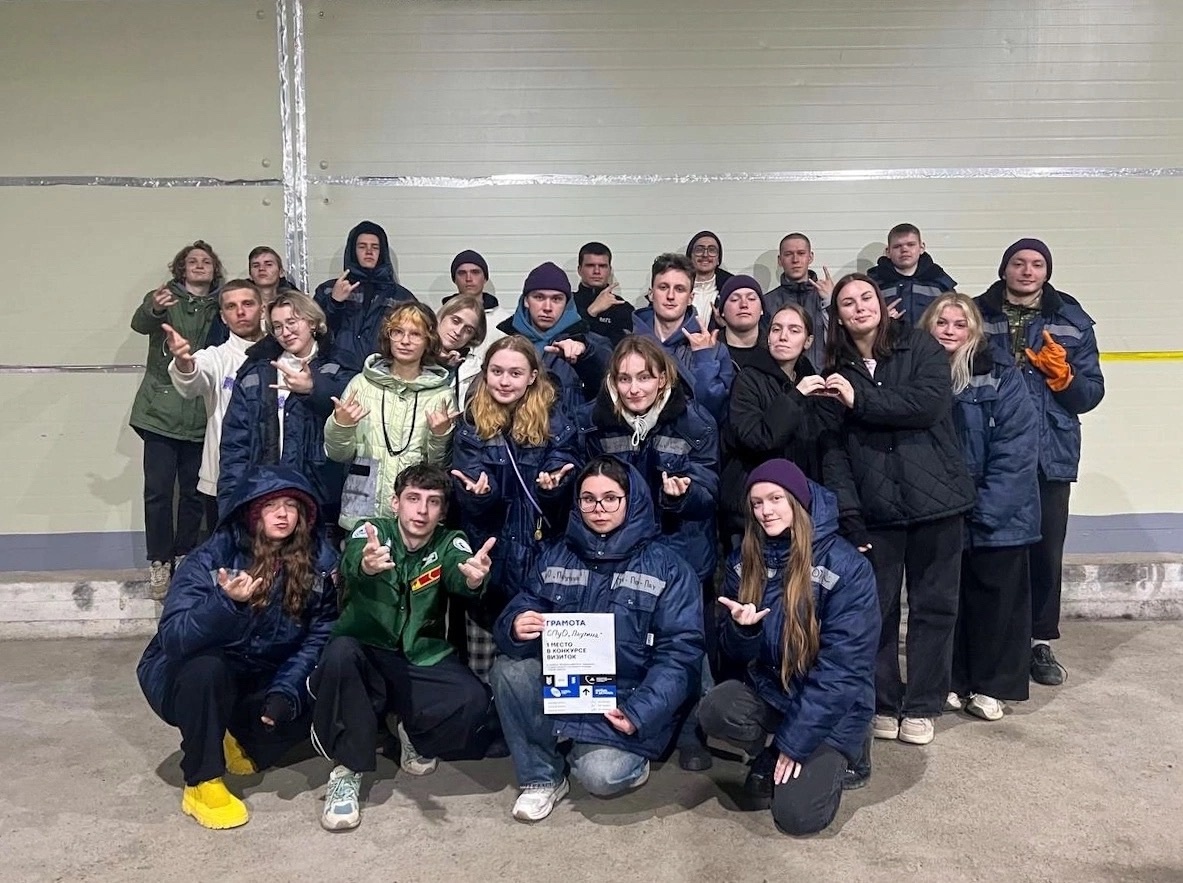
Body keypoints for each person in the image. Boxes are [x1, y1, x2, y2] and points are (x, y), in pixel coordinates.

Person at [491, 457, 705, 822]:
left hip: (625, 699)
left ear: (632, 500)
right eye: (588, 499)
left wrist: (640, 712)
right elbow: (523, 605)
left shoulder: (669, 567)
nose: (598, 508)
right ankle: (542, 777)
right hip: (565, 688)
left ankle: (621, 757)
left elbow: (680, 654)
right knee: (509, 670)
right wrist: (515, 624)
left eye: (610, 498)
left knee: (600, 777)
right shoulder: (557, 554)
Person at [136, 466, 338, 829]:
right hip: (190, 675)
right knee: (206, 669)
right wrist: (225, 603)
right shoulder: (212, 557)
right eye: (271, 505)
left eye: (291, 505)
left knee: (325, 692)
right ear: (252, 511)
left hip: (259, 672)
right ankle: (201, 781)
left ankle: (238, 735)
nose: (282, 514)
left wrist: (286, 692)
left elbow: (318, 637)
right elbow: (175, 639)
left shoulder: (319, 561)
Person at [821, 273, 975, 747]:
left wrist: (860, 399)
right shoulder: (835, 369)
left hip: (937, 504)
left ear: (882, 303)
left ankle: (924, 705)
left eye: (866, 297)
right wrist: (850, 513)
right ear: (838, 316)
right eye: (848, 302)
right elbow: (834, 450)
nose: (859, 307)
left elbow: (927, 405)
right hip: (878, 512)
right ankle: (885, 702)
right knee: (878, 611)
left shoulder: (920, 346)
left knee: (935, 609)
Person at [309, 463, 497, 831]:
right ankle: (346, 770)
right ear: (395, 503)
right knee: (340, 654)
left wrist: (474, 579)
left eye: (433, 502)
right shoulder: (372, 531)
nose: (422, 510)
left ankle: (411, 730)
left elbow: (460, 568)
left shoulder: (449, 541)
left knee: (472, 700)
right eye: (413, 499)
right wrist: (367, 564)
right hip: (366, 649)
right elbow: (354, 558)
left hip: (419, 654)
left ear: (442, 511)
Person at [699, 459, 878, 835]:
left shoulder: (847, 568)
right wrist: (743, 631)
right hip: (775, 694)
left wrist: (794, 744)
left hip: (832, 708)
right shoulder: (743, 560)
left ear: (798, 501)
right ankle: (772, 750)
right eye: (757, 503)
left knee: (798, 817)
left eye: (775, 499)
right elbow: (734, 655)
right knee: (716, 708)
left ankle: (852, 751)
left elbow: (843, 672)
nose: (765, 511)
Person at [577, 336, 720, 770]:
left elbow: (710, 488)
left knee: (686, 643)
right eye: (624, 378)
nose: (634, 388)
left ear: (663, 379)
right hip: (620, 551)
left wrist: (683, 494)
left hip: (681, 549)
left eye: (644, 377)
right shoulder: (597, 422)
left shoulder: (694, 422)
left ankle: (695, 730)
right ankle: (626, 720)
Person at [976, 238, 1105, 685]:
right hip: (989, 451)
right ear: (1004, 269)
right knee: (988, 549)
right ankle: (988, 640)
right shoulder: (975, 314)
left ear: (1047, 272)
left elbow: (1091, 394)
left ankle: (1038, 643)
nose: (1027, 271)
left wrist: (1065, 378)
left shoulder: (1071, 320)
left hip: (1049, 453)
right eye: (1018, 263)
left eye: (1036, 264)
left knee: (1045, 551)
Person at [919, 293, 1040, 720]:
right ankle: (954, 680)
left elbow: (1017, 450)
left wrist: (986, 510)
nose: (949, 331)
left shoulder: (1001, 375)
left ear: (974, 331)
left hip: (999, 516)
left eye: (959, 324)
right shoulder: (918, 374)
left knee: (997, 603)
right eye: (942, 323)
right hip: (945, 513)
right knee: (950, 603)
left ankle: (992, 686)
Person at [451, 336, 582, 681]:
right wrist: (480, 494)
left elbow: (564, 469)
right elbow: (470, 489)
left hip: (542, 558)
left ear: (532, 376)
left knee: (538, 665)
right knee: (483, 669)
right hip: (490, 556)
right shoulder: (470, 424)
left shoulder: (556, 421)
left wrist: (554, 486)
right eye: (497, 371)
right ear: (485, 373)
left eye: (515, 373)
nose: (505, 381)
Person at [130, 239, 225, 596]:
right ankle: (159, 561)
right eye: (192, 261)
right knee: (157, 492)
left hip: (201, 412)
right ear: (181, 268)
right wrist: (154, 307)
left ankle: (185, 555)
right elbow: (140, 323)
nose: (199, 265)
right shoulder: (164, 298)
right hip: (158, 412)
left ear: (214, 270)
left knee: (193, 493)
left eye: (206, 261)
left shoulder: (222, 304)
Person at [324, 302, 458, 530]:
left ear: (429, 341)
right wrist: (341, 426)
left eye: (415, 334)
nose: (405, 341)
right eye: (398, 332)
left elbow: (438, 469)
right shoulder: (361, 385)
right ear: (388, 336)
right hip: (362, 511)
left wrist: (439, 436)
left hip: (415, 515)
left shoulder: (441, 394)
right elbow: (337, 454)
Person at [219, 292, 349, 525]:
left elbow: (351, 410)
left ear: (312, 323)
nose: (285, 332)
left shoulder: (338, 363)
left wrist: (314, 388)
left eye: (291, 322)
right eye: (277, 326)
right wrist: (230, 503)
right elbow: (234, 445)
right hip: (264, 492)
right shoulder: (256, 370)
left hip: (320, 497)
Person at [167, 279, 266, 540]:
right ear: (222, 317)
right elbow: (192, 381)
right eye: (231, 307)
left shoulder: (282, 354)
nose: (240, 312)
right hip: (222, 480)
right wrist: (183, 362)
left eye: (247, 304)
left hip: (272, 479)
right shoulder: (215, 357)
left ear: (262, 309)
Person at [721, 303, 826, 548]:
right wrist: (795, 397)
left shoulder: (811, 381)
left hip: (798, 504)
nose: (783, 336)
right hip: (752, 510)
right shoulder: (748, 378)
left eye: (794, 330)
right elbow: (757, 437)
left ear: (808, 341)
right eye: (776, 329)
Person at [496, 261, 611, 415]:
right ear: (526, 301)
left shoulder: (587, 342)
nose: (547, 308)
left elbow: (612, 376)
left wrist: (586, 353)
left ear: (567, 303)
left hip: (569, 429)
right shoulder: (503, 342)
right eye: (539, 297)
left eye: (556, 299)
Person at [632, 253, 734, 422]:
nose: (670, 296)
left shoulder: (715, 350)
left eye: (680, 289)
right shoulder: (628, 345)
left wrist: (704, 359)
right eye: (663, 287)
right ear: (651, 294)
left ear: (690, 298)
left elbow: (716, 413)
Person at [313, 220, 416, 376]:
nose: (369, 252)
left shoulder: (402, 297)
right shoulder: (328, 290)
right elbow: (313, 332)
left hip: (383, 375)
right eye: (362, 247)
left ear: (382, 252)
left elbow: (414, 337)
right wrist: (334, 302)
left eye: (375, 247)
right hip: (335, 374)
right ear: (353, 251)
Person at [762, 233, 833, 369]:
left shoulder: (827, 297)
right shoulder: (767, 302)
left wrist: (831, 302)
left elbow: (842, 339)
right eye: (788, 254)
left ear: (810, 257)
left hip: (823, 377)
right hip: (781, 377)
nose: (795, 260)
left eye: (801, 253)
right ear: (780, 260)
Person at [867, 223, 957, 326]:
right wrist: (880, 321)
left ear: (921, 248)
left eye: (910, 244)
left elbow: (955, 318)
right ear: (888, 252)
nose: (904, 250)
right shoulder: (873, 284)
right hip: (887, 336)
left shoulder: (940, 282)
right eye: (897, 246)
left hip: (929, 337)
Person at [206, 247, 297, 347]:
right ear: (250, 275)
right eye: (256, 265)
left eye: (268, 264)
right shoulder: (231, 304)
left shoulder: (296, 304)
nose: (261, 269)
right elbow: (215, 342)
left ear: (281, 272)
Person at [441, 249, 512, 370]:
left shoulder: (504, 322)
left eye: (475, 272)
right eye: (462, 273)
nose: (468, 278)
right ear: (454, 279)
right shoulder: (439, 316)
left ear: (485, 278)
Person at [573, 241, 634, 345]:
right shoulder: (567, 304)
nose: (596, 271)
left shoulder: (623, 308)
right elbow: (564, 336)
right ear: (579, 270)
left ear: (610, 270)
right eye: (590, 265)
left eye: (602, 266)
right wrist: (591, 312)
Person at [435, 293, 488, 403]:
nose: (458, 332)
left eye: (468, 330)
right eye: (455, 321)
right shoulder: (413, 354)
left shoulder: (476, 369)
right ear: (442, 316)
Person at [716, 275, 767, 373]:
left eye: (751, 299)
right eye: (734, 299)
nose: (744, 304)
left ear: (762, 309)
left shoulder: (775, 349)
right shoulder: (709, 349)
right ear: (722, 311)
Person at [685, 231, 733, 324]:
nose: (705, 255)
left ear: (718, 259)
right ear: (690, 257)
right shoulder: (677, 288)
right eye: (699, 250)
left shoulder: (731, 289)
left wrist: (725, 326)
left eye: (712, 250)